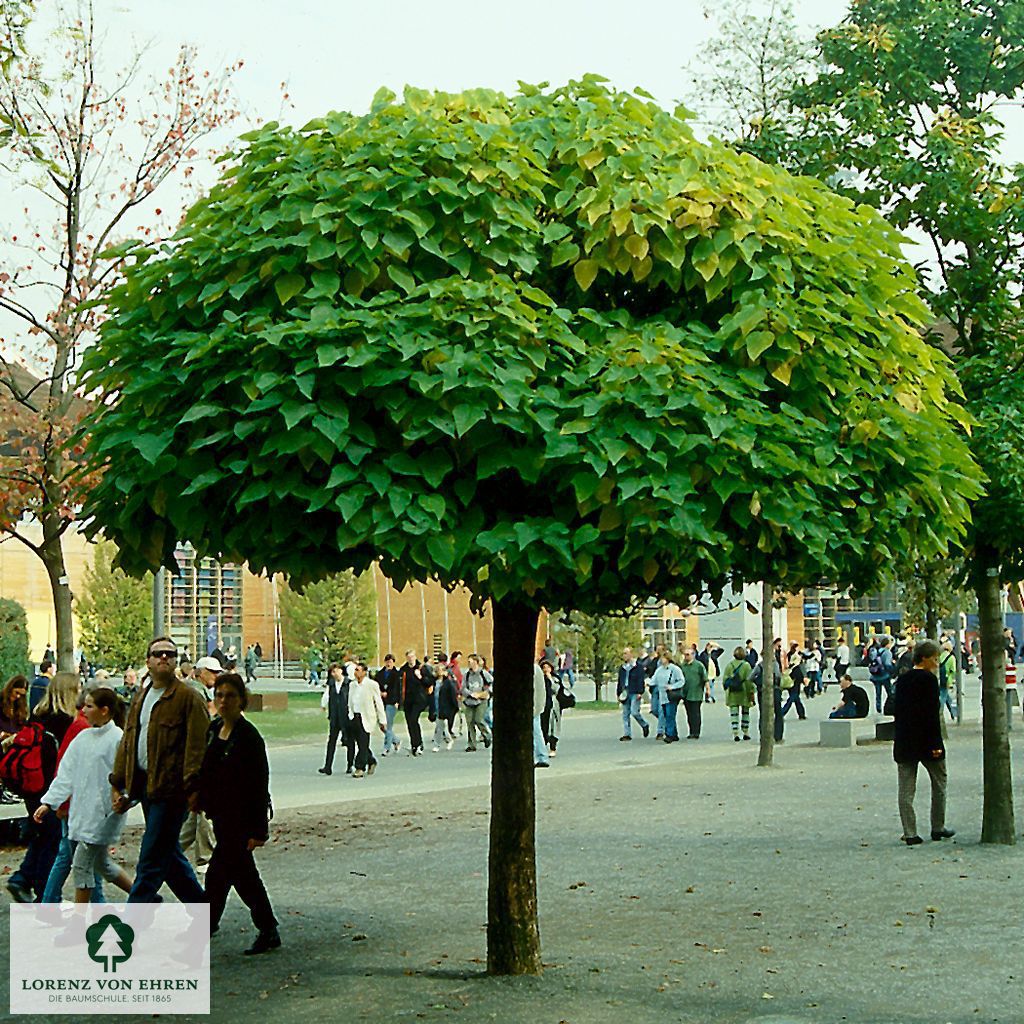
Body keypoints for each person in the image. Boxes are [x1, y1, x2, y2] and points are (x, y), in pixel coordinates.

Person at [110, 636, 209, 904]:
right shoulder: (142, 697)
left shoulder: (189, 697)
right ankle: (205, 912)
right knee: (170, 856)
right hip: (145, 786)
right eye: (158, 654)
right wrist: (118, 783)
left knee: (151, 858)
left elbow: (198, 747)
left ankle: (132, 921)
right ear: (148, 661)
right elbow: (128, 742)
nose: (164, 658)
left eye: (170, 654)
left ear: (176, 661)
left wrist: (194, 787)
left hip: (173, 790)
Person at [198, 673, 279, 954]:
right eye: (219, 695)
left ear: (241, 700)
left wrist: (259, 831)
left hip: (241, 819)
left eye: (230, 696)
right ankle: (268, 928)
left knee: (220, 875)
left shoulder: (249, 737)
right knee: (242, 877)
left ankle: (206, 927)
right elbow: (206, 769)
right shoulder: (214, 729)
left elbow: (259, 784)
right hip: (220, 814)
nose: (223, 701)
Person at [35, 688, 132, 904]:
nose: (83, 710)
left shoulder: (117, 738)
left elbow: (128, 774)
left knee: (82, 863)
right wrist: (49, 802)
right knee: (102, 864)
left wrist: (124, 798)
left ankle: (78, 922)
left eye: (89, 706)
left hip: (104, 812)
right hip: (82, 810)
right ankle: (143, 896)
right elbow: (66, 773)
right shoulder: (83, 738)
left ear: (105, 711)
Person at [4, 672, 78, 903]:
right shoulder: (66, 722)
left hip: (31, 788)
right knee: (54, 840)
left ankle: (22, 879)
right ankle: (45, 894)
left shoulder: (38, 715)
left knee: (43, 835)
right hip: (50, 790)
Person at [893, 640, 955, 846]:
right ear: (925, 658)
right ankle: (937, 826)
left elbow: (898, 712)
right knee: (939, 784)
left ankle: (909, 832)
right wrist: (937, 744)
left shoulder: (901, 680)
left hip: (905, 741)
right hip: (927, 741)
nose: (937, 663)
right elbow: (931, 715)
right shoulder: (928, 680)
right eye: (935, 659)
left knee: (906, 789)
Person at [348, 662, 387, 777]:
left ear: (364, 672)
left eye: (358, 670)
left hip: (366, 718)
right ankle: (371, 760)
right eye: (355, 670)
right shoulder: (352, 685)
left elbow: (378, 703)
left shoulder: (372, 685)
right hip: (354, 716)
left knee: (364, 742)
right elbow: (350, 701)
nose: (356, 672)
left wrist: (382, 720)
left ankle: (360, 767)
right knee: (361, 744)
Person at [319, 663, 354, 775]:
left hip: (347, 716)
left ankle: (350, 765)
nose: (334, 674)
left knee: (349, 741)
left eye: (336, 671)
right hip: (335, 716)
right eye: (332, 672)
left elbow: (353, 698)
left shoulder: (349, 683)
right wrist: (323, 705)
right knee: (331, 741)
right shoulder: (331, 684)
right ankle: (328, 766)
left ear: (341, 671)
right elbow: (327, 695)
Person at [400, 650, 432, 756]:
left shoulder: (421, 668)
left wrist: (421, 677)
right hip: (408, 699)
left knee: (414, 719)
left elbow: (429, 682)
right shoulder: (404, 669)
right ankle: (414, 744)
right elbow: (400, 685)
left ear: (415, 657)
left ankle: (419, 743)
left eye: (412, 656)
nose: (410, 659)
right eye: (409, 657)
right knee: (409, 722)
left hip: (419, 699)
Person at [721, 646, 755, 741]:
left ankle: (735, 733)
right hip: (744, 691)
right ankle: (745, 731)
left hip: (732, 692)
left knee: (734, 713)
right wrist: (751, 692)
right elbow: (749, 680)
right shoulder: (746, 665)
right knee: (745, 712)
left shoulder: (729, 665)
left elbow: (725, 680)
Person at [617, 647, 650, 741]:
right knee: (625, 714)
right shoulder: (623, 668)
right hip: (625, 692)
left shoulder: (638, 666)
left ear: (631, 654)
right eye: (623, 654)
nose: (624, 656)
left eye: (626, 653)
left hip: (635, 691)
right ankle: (627, 734)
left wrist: (640, 692)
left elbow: (640, 680)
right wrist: (618, 693)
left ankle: (644, 724)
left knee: (634, 712)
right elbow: (620, 681)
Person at [461, 654, 493, 752]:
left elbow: (492, 683)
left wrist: (484, 693)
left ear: (476, 662)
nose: (469, 663)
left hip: (481, 701)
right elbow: (463, 688)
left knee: (478, 719)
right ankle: (472, 744)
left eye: (470, 661)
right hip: (470, 701)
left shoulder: (483, 673)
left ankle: (487, 735)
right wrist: (470, 694)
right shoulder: (467, 675)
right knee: (470, 722)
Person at [650, 652, 683, 743]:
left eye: (663, 658)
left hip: (671, 696)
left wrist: (672, 686)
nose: (661, 660)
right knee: (665, 714)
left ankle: (669, 734)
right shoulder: (659, 670)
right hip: (662, 696)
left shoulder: (675, 669)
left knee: (670, 714)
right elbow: (654, 680)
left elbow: (681, 681)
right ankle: (674, 734)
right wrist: (647, 683)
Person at [375, 654, 403, 755]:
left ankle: (386, 748)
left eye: (390, 662)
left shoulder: (397, 674)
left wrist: (398, 701)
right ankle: (396, 740)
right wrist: (380, 693)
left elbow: (399, 689)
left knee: (388, 725)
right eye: (387, 661)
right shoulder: (380, 674)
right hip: (381, 702)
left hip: (392, 701)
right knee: (382, 725)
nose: (388, 664)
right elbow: (376, 685)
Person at [679, 647, 708, 739]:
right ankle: (691, 731)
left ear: (693, 655)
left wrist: (708, 689)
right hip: (686, 693)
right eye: (685, 655)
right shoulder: (683, 666)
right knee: (689, 714)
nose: (686, 657)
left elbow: (705, 678)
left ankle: (696, 732)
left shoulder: (699, 665)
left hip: (696, 693)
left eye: (688, 654)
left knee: (696, 713)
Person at [869, 636, 896, 712]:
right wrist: (892, 670)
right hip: (884, 675)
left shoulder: (875, 650)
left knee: (878, 693)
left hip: (875, 675)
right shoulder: (887, 652)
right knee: (890, 692)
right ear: (887, 644)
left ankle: (878, 707)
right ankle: (890, 706)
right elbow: (887, 664)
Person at [533, 663, 549, 768]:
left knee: (536, 732)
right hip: (536, 706)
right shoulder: (536, 669)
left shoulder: (533, 669)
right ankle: (541, 756)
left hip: (533, 706)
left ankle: (541, 756)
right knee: (536, 732)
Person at [938, 640, 958, 721]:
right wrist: (953, 680)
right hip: (947, 679)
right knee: (943, 696)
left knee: (947, 697)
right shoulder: (951, 657)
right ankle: (940, 711)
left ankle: (953, 713)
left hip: (940, 678)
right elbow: (953, 670)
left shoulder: (940, 656)